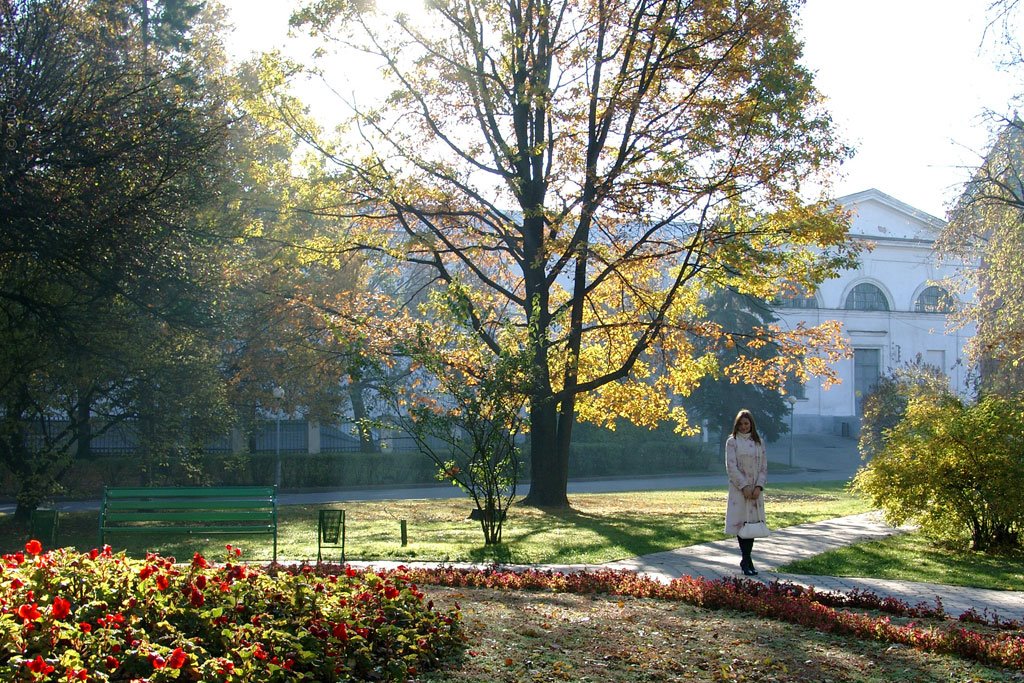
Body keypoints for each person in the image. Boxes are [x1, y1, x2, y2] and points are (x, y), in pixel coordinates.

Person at [724, 409, 767, 576]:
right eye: (741, 424)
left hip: (755, 491)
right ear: (737, 425)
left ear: (751, 424)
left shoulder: (759, 442)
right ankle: (746, 559)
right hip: (739, 490)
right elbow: (731, 466)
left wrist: (758, 486)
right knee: (743, 524)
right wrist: (744, 486)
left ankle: (747, 560)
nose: (743, 426)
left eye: (746, 423)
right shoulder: (732, 442)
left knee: (752, 525)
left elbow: (764, 467)